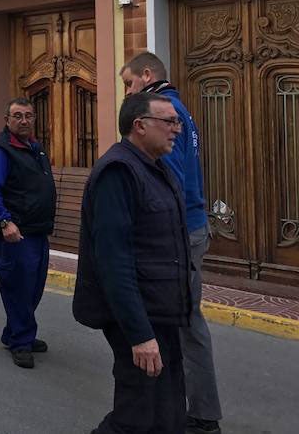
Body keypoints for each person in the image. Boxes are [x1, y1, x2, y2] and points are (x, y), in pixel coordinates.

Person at [74, 92, 192, 434]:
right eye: (169, 122)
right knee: (136, 416)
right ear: (139, 126)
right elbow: (113, 261)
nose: (177, 129)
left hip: (163, 312)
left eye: (177, 122)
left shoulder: (156, 169)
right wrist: (140, 335)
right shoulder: (118, 173)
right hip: (139, 318)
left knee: (168, 413)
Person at [121, 52, 222, 434]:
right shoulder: (178, 110)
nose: (128, 91)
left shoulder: (165, 114)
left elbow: (171, 179)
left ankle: (201, 414)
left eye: (129, 83)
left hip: (182, 229)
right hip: (189, 226)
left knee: (184, 321)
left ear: (147, 76)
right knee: (181, 319)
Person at [0, 98, 56, 369]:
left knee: (33, 287)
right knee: (18, 288)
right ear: (7, 120)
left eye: (28, 115)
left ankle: (15, 332)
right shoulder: (1, 149)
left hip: (37, 232)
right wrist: (4, 223)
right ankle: (21, 342)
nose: (24, 120)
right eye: (18, 116)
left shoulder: (34, 148)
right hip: (15, 234)